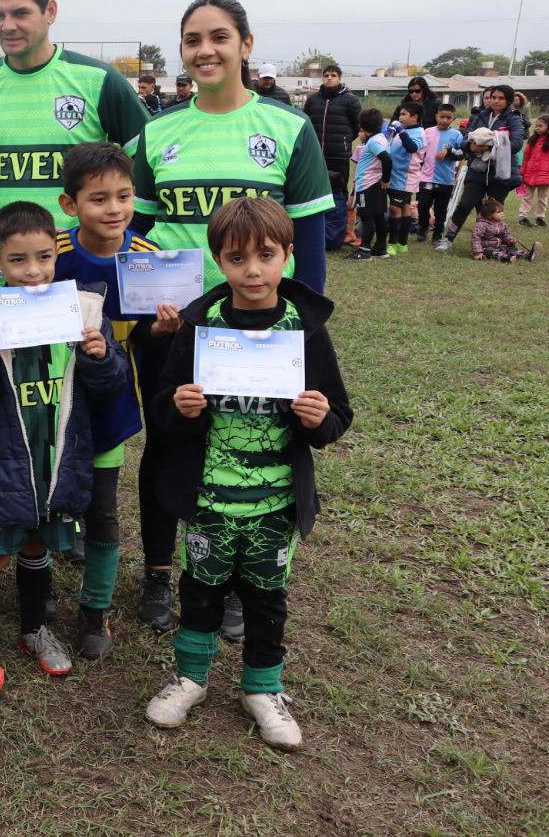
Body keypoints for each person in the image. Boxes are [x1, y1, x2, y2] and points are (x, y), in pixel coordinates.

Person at [129, 0, 333, 633]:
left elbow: (309, 243)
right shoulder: (157, 132)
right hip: (176, 328)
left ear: (246, 44)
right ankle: (159, 570)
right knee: (168, 442)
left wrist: (302, 330)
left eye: (219, 37)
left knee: (255, 445)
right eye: (192, 40)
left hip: (261, 328)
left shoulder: (289, 129)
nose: (205, 50)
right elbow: (136, 233)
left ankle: (243, 581)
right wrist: (146, 313)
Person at [143, 197, 352, 751]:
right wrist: (180, 407)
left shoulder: (305, 331)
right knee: (200, 590)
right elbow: (162, 405)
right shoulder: (200, 326)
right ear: (219, 260)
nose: (253, 270)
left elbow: (337, 414)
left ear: (288, 255)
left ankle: (263, 689)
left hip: (274, 503)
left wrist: (319, 418)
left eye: (266, 255)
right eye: (237, 258)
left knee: (265, 598)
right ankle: (190, 679)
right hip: (210, 498)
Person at [0, 201, 129, 695]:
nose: (33, 270)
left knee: (38, 544)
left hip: (57, 463)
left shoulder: (84, 312)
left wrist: (102, 357)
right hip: (3, 465)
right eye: (18, 260)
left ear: (56, 256)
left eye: (44, 257)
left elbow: (111, 386)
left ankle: (33, 629)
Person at [51, 143, 180, 658]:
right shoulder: (52, 252)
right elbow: (15, 290)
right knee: (46, 502)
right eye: (99, 198)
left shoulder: (148, 258)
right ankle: (38, 594)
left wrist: (161, 330)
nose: (114, 209)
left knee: (104, 509)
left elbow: (147, 338)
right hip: (53, 402)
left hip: (112, 401)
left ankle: (95, 607)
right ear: (70, 204)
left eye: (124, 196)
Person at [0, 0, 148, 226]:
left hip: (79, 252)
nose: (7, 26)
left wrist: (127, 232)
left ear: (50, 11)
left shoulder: (98, 79)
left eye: (21, 13)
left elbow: (149, 158)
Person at [438, 86, 526, 249]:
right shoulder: (480, 116)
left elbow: (516, 144)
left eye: (500, 98)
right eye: (493, 97)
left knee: (493, 210)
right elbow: (465, 139)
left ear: (508, 100)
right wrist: (471, 146)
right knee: (465, 204)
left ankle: (492, 244)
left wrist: (489, 145)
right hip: (477, 170)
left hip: (500, 172)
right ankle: (448, 239)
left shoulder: (514, 118)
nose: (496, 101)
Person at [301, 64, 362, 254]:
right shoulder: (313, 100)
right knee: (315, 190)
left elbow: (356, 127)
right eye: (326, 75)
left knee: (340, 193)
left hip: (339, 155)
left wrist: (343, 142)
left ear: (339, 77)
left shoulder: (351, 100)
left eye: (333, 75)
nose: (329, 78)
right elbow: (305, 123)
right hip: (315, 155)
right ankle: (316, 230)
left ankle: (344, 231)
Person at [347, 109, 391, 261]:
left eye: (360, 130)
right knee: (379, 217)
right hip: (376, 185)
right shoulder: (383, 138)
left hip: (367, 185)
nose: (359, 134)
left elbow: (387, 160)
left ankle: (364, 250)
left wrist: (385, 179)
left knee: (367, 217)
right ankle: (380, 249)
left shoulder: (373, 142)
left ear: (363, 128)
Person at [416, 104, 464, 242]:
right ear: (436, 116)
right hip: (426, 177)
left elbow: (462, 154)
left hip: (445, 179)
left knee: (441, 209)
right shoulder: (427, 132)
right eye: (442, 117)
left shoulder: (456, 135)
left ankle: (437, 234)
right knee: (423, 204)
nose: (444, 120)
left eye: (448, 117)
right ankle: (423, 229)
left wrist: (449, 151)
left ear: (454, 118)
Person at [383, 101, 426, 254]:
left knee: (394, 208)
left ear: (414, 117)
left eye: (403, 114)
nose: (400, 117)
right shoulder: (405, 130)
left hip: (405, 178)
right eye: (400, 114)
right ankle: (402, 243)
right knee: (405, 208)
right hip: (395, 176)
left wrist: (401, 131)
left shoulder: (419, 133)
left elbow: (412, 148)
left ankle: (392, 243)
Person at [472, 197, 540, 262]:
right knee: (494, 253)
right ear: (489, 215)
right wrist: (478, 252)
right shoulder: (481, 225)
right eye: (498, 212)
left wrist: (510, 240)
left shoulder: (502, 224)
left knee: (511, 250)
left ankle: (528, 255)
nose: (502, 213)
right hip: (486, 248)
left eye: (502, 211)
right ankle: (507, 258)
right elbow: (476, 238)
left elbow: (506, 235)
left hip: (500, 246)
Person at [516, 115, 549, 226]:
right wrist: (522, 171)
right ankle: (523, 217)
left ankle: (540, 218)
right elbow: (526, 157)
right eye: (536, 126)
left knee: (542, 198)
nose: (538, 128)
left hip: (546, 175)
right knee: (527, 196)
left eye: (541, 126)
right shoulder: (532, 140)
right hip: (530, 174)